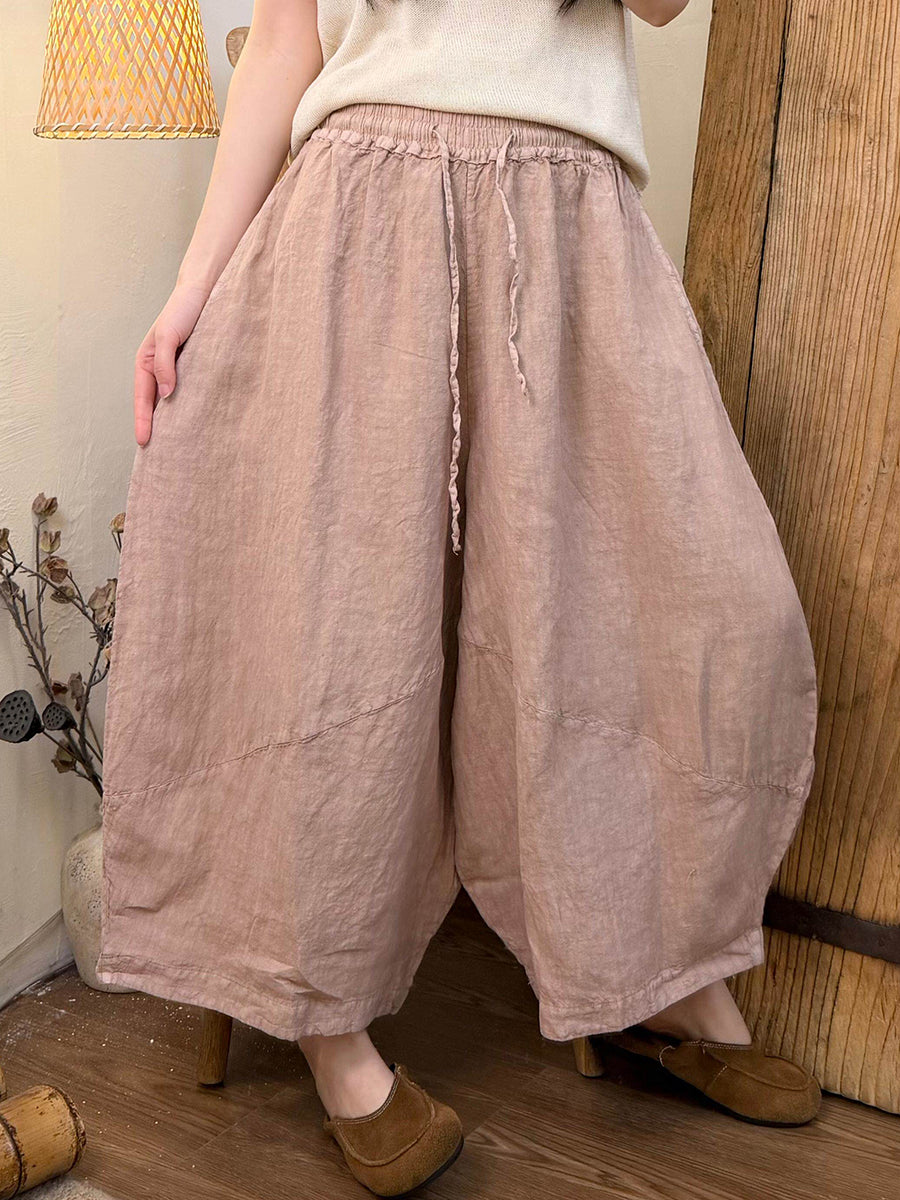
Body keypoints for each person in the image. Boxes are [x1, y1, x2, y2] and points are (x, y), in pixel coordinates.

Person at [95, 0, 822, 1193]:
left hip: (570, 224)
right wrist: (188, 293)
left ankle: (655, 978)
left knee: (658, 610)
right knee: (338, 632)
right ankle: (327, 1025)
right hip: (362, 216)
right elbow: (283, 43)